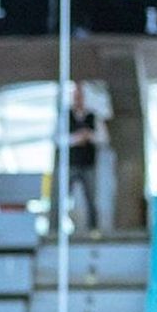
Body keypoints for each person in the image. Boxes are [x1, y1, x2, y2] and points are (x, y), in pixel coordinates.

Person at [58, 83, 101, 234]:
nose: (78, 99)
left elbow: (102, 138)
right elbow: (59, 139)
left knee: (91, 198)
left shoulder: (92, 116)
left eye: (80, 96)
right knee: (64, 198)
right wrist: (76, 139)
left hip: (89, 163)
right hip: (71, 163)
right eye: (76, 96)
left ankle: (93, 229)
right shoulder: (65, 116)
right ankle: (62, 227)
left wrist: (89, 136)